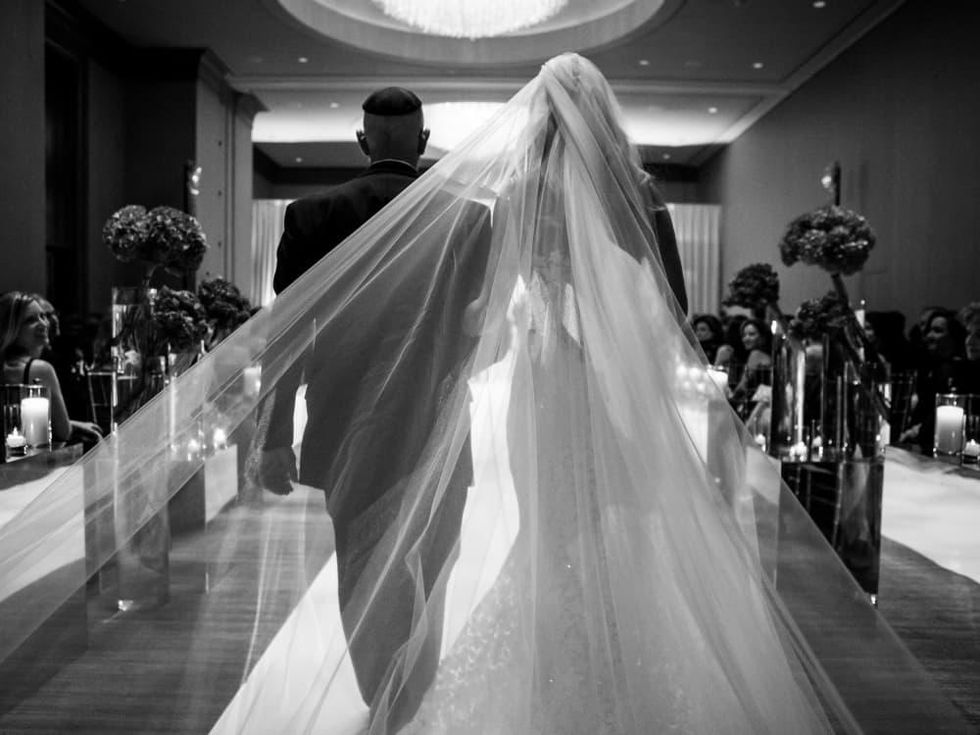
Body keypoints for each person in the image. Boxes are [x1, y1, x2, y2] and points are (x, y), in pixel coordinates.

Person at [256, 86, 492, 727]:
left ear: (362, 142)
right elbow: (480, 333)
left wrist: (273, 436)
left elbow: (287, 333)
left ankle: (384, 703)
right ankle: (413, 701)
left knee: (361, 573)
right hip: (437, 423)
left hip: (346, 426)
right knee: (430, 572)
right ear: (424, 142)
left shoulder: (312, 215)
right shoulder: (470, 217)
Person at [0, 291, 102, 446]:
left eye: (43, 316)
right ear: (12, 328)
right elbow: (64, 431)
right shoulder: (40, 370)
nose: (43, 324)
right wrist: (73, 425)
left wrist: (73, 423)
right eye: (30, 320)